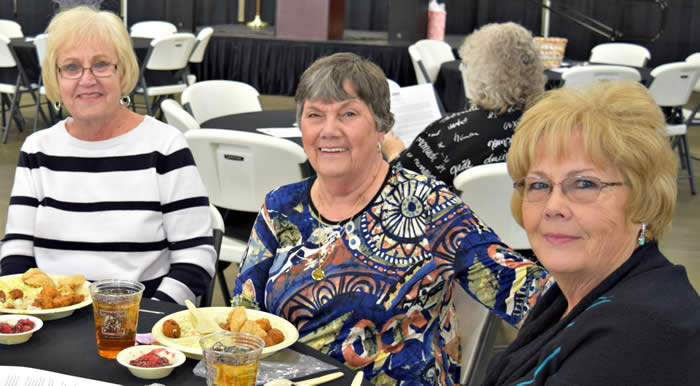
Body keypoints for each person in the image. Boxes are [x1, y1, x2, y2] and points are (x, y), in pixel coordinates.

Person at [232, 52, 552, 385]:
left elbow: (526, 292)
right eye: (315, 115)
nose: (328, 130)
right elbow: (242, 318)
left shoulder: (428, 207)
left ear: (382, 126)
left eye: (348, 114)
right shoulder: (281, 206)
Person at [483, 81, 700, 385]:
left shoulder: (638, 337)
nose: (553, 206)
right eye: (539, 184)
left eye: (584, 184)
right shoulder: (578, 293)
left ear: (643, 198)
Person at [0, 7, 216, 305]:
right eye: (72, 67)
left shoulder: (164, 147)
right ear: (56, 78)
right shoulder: (38, 150)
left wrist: (149, 320)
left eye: (101, 64)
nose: (87, 79)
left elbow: (196, 256)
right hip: (51, 322)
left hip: (139, 328)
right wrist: (22, 307)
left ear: (122, 70)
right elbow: (16, 249)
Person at [382, 22, 546, 190]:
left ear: (482, 74)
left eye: (466, 64)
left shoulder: (447, 133)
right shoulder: (553, 127)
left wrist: (393, 152)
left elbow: (403, 185)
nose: (461, 68)